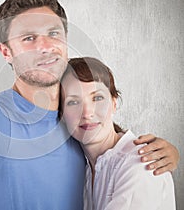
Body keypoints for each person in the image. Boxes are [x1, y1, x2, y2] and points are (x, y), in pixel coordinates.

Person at [0, 0, 179, 209]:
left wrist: (164, 154)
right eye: (29, 38)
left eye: (53, 33)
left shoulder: (77, 118)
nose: (45, 46)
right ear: (6, 52)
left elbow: (113, 153)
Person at [60, 57, 176, 210]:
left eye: (97, 98)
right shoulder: (82, 166)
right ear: (61, 114)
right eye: (73, 102)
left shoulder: (142, 163)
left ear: (114, 104)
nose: (87, 113)